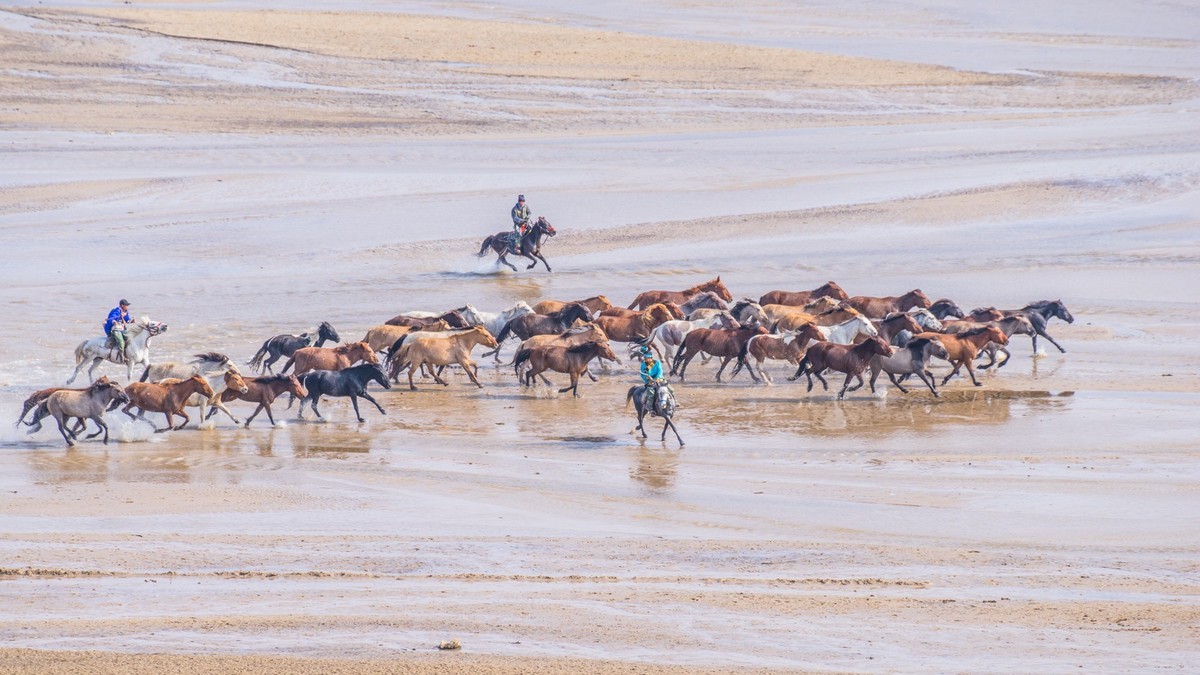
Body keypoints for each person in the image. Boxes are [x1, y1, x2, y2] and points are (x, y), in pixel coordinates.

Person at [638, 346, 667, 414]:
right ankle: (650, 408)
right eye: (645, 358)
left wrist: (657, 378)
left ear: (651, 358)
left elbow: (660, 371)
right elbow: (643, 374)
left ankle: (675, 401)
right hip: (649, 381)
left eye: (647, 358)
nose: (646, 360)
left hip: (659, 379)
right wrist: (647, 378)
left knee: (670, 389)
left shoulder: (657, 362)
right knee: (651, 392)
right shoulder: (643, 365)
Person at [104, 299, 133, 363]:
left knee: (130, 337)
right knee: (121, 341)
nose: (127, 306)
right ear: (122, 305)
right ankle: (122, 356)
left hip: (122, 328)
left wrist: (131, 321)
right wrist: (114, 321)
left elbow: (127, 319)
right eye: (126, 305)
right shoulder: (115, 311)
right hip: (115, 329)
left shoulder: (126, 311)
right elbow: (111, 319)